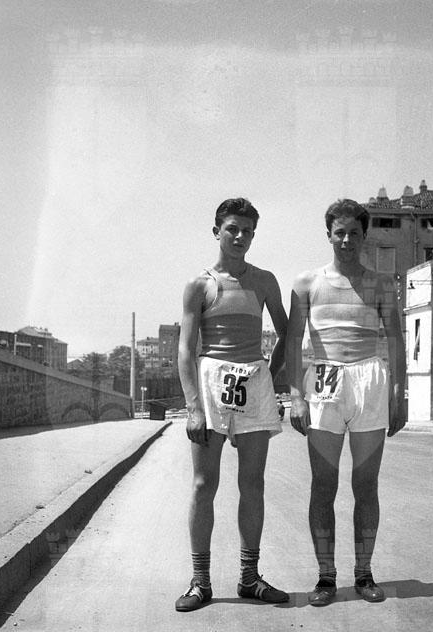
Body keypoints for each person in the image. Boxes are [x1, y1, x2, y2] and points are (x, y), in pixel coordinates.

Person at [286, 199, 406, 607]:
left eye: (354, 233)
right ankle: (325, 577)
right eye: (340, 232)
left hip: (368, 379)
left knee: (366, 484)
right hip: (324, 381)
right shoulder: (307, 283)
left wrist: (399, 395)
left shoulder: (381, 284)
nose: (347, 240)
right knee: (323, 485)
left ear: (364, 236)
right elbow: (293, 341)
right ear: (329, 235)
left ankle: (364, 573)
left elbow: (396, 340)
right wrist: (296, 396)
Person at [175, 198, 289, 612]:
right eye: (232, 229)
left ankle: (249, 577)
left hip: (252, 380)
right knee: (204, 485)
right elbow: (185, 350)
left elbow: (287, 333)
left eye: (248, 231)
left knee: (252, 484)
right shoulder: (199, 285)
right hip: (211, 384)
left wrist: (268, 379)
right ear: (217, 231)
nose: (240, 237)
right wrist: (193, 407)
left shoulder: (264, 280)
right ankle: (200, 581)